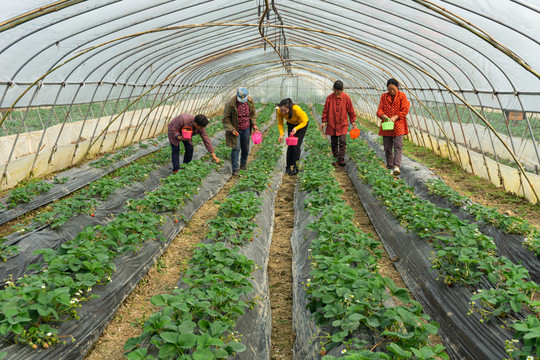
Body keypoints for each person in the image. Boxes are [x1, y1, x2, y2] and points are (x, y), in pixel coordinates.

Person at [376, 78, 410, 176]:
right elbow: (379, 110)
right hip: (387, 125)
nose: (391, 91)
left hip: (398, 125)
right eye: (389, 89)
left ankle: (396, 166)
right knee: (387, 147)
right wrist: (384, 116)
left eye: (393, 89)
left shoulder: (402, 96)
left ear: (397, 87)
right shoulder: (384, 96)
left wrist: (395, 117)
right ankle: (390, 166)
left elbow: (405, 110)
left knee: (398, 146)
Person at [222, 87, 258, 176]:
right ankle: (235, 168)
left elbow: (253, 113)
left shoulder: (250, 101)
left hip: (246, 127)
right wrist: (232, 129)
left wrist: (254, 124)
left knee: (245, 147)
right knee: (236, 147)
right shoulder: (230, 104)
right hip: (236, 129)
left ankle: (243, 164)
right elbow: (225, 119)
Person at [321, 80, 357, 167]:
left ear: (342, 89)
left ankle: (341, 159)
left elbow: (351, 111)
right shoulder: (329, 98)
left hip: (342, 124)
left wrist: (353, 121)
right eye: (335, 90)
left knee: (342, 141)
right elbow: (325, 110)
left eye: (339, 91)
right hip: (332, 124)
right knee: (333, 142)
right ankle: (335, 158)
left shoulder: (346, 98)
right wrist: (324, 121)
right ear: (333, 89)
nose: (337, 92)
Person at [277, 98, 309, 175]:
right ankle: (288, 166)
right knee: (290, 145)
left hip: (301, 125)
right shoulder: (279, 111)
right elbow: (280, 123)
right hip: (291, 124)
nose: (283, 112)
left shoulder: (296, 109)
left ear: (289, 108)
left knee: (296, 146)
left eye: (285, 110)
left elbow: (304, 121)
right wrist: (281, 134)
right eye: (282, 110)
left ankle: (296, 166)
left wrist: (296, 128)